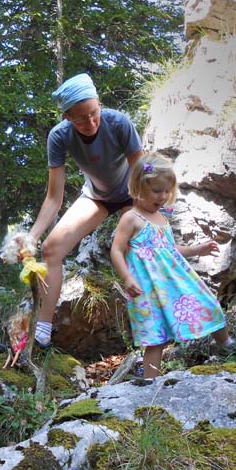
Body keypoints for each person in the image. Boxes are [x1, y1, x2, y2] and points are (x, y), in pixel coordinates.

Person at [110, 152, 236, 380]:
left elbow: (170, 249)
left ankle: (226, 343)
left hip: (175, 281)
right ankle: (150, 381)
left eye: (166, 190)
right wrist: (127, 278)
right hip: (147, 288)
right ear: (139, 188)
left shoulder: (162, 218)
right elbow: (117, 250)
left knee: (208, 303)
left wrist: (197, 249)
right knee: (155, 335)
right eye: (156, 191)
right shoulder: (131, 219)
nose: (163, 196)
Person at [26, 73, 144, 348]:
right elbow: (54, 197)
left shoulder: (118, 123)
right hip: (97, 196)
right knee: (50, 250)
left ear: (99, 105)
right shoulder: (59, 137)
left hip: (132, 193)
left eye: (94, 113)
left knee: (136, 251)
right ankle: (42, 329)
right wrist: (32, 237)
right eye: (81, 118)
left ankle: (148, 333)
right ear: (67, 117)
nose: (90, 122)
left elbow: (141, 171)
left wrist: (147, 212)